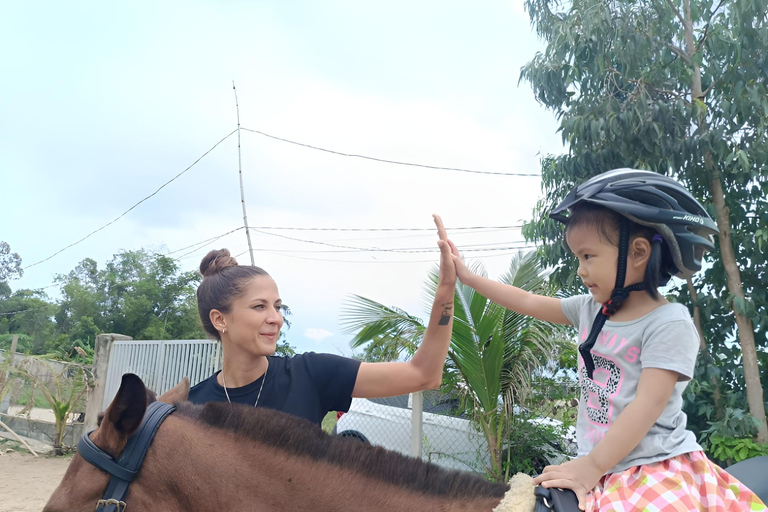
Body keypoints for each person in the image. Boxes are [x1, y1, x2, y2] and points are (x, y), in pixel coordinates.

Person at [443, 169, 766, 511]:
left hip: (653, 464)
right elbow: (527, 302)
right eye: (577, 258)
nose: (580, 270)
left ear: (638, 252)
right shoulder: (589, 309)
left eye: (588, 256)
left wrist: (592, 467)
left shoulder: (668, 323)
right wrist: (468, 277)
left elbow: (646, 407)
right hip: (598, 462)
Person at [188, 215, 456, 427]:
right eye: (260, 306)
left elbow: (424, 375)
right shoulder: (191, 408)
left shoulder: (309, 375)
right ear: (220, 319)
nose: (276, 319)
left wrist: (445, 288)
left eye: (278, 306)